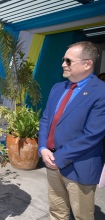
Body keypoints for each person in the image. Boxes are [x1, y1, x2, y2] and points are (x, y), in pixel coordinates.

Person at [39, 41, 105, 220]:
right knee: (57, 212)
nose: (63, 64)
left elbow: (92, 135)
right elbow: (46, 119)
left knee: (82, 216)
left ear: (87, 64)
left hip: (80, 167)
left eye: (68, 61)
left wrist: (59, 159)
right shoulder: (57, 87)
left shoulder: (101, 92)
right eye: (63, 60)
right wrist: (43, 149)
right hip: (51, 161)